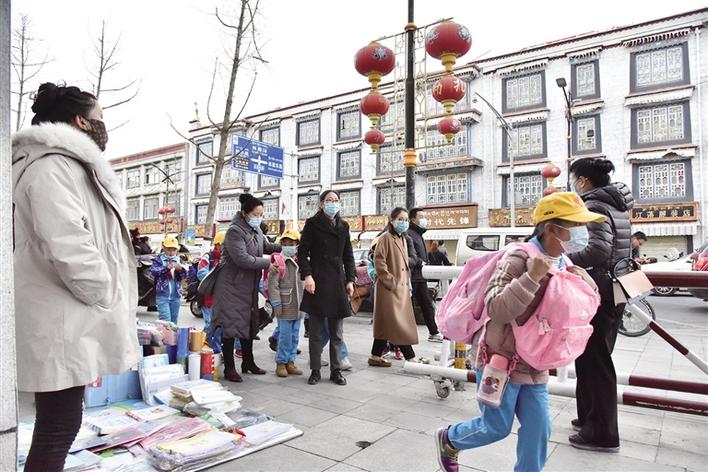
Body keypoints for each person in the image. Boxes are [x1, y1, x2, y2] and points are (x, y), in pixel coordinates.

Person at [12, 82, 139, 471]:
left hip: (65, 315)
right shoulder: (53, 166)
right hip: (62, 319)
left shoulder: (59, 164)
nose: (103, 124)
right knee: (58, 427)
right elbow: (68, 243)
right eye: (99, 117)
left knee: (59, 423)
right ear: (80, 121)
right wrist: (103, 292)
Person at [435, 192, 603, 472]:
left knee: (539, 428)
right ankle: (450, 439)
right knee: (496, 427)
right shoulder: (518, 257)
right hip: (500, 360)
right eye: (574, 225)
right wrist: (531, 277)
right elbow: (496, 307)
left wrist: (587, 284)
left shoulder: (563, 262)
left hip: (536, 361)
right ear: (551, 228)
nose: (581, 232)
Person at [567, 157, 634, 453]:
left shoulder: (594, 206)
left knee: (596, 361)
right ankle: (588, 417)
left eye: (573, 179)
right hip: (617, 288)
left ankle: (602, 434)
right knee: (589, 357)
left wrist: (561, 259)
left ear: (583, 181)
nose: (573, 184)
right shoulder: (617, 205)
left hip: (599, 292)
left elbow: (597, 249)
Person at [212, 194, 281, 382]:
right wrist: (267, 264)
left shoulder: (256, 229)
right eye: (255, 214)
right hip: (231, 286)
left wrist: (286, 247)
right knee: (230, 326)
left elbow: (266, 246)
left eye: (261, 214)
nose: (258, 218)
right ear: (244, 213)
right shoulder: (234, 231)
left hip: (248, 286)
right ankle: (229, 368)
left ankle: (248, 362)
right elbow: (242, 259)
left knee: (249, 324)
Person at [299, 190, 356, 386]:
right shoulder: (312, 224)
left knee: (337, 332)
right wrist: (308, 276)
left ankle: (336, 370)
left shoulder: (343, 226)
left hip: (338, 281)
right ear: (322, 204)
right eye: (329, 200)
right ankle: (315, 370)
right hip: (317, 281)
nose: (333, 203)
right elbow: (302, 252)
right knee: (315, 332)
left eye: (336, 200)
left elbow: (348, 256)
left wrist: (350, 280)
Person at [369, 208, 427, 366]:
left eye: (406, 220)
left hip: (400, 288)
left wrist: (406, 285)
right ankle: (410, 357)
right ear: (392, 220)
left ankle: (375, 356)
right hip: (389, 289)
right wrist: (392, 282)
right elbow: (379, 262)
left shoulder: (402, 238)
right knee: (398, 323)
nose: (404, 223)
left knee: (387, 323)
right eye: (400, 219)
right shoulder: (385, 238)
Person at [268, 229, 305, 377]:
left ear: (297, 245)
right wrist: (276, 304)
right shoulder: (278, 262)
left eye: (291, 244)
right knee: (285, 336)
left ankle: (291, 361)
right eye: (285, 244)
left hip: (299, 307)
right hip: (284, 306)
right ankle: (281, 362)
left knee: (295, 336)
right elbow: (273, 285)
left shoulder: (302, 261)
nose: (288, 246)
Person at [407, 208, 443, 342]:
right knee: (407, 308)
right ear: (413, 219)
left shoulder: (419, 234)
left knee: (427, 305)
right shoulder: (409, 234)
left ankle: (434, 332)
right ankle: (401, 338)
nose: (424, 219)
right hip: (411, 277)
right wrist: (420, 262)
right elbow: (410, 254)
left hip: (420, 277)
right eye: (421, 217)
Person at [151, 236, 187, 324]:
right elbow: (153, 271)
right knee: (165, 321)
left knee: (174, 321)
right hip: (162, 295)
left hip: (176, 295)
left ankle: (172, 334)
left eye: (174, 250)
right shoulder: (158, 260)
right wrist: (166, 268)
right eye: (169, 249)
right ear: (163, 248)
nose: (171, 252)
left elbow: (185, 275)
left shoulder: (179, 260)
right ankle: (165, 333)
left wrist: (181, 270)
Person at [197, 231, 226, 336]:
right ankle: (205, 343)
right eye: (223, 245)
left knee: (219, 327)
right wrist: (218, 276)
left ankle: (214, 345)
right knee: (210, 325)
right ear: (217, 245)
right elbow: (201, 274)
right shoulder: (208, 257)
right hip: (208, 298)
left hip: (223, 299)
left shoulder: (229, 259)